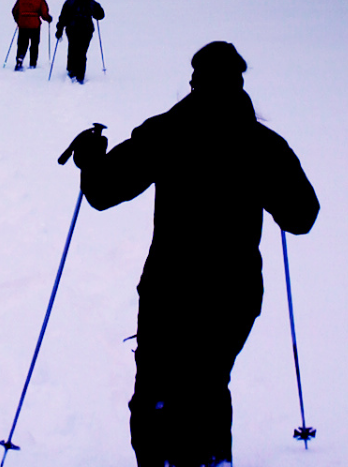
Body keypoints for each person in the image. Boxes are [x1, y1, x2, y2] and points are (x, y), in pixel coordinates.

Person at [64, 42, 318, 467]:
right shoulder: (263, 144)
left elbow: (103, 191)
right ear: (238, 82)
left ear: (195, 82)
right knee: (208, 384)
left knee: (157, 392)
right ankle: (211, 458)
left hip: (170, 291)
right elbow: (302, 217)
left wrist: (90, 159)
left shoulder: (167, 132)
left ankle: (164, 458)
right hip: (234, 296)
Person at [54, 0, 105, 83]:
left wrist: (59, 29)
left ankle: (71, 70)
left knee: (72, 48)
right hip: (86, 30)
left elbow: (63, 17)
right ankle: (80, 74)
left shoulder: (70, 1)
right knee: (82, 51)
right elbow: (100, 15)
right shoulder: (90, 2)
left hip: (72, 29)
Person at [11, 0, 51, 70]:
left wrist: (18, 20)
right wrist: (48, 18)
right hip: (34, 25)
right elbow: (44, 13)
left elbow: (14, 10)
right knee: (34, 44)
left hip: (22, 24)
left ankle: (19, 60)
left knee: (22, 43)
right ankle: (33, 63)